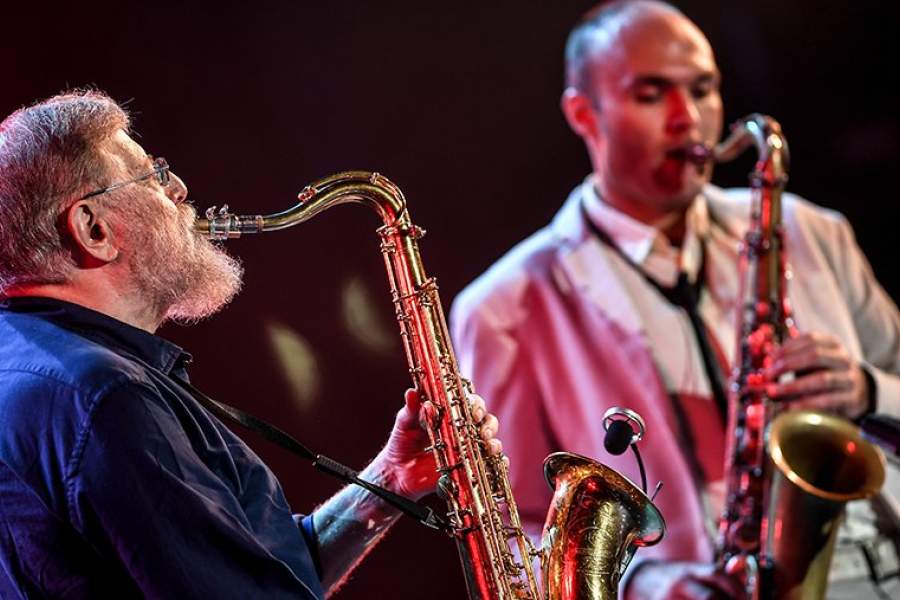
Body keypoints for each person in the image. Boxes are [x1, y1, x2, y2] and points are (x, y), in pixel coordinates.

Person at [450, 1, 900, 598]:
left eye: (704, 90)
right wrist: (651, 585)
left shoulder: (813, 231)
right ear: (584, 113)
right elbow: (510, 536)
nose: (690, 119)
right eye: (651, 94)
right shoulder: (502, 308)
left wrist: (868, 390)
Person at [0, 90, 502, 599]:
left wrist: (389, 480)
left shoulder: (31, 362)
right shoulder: (108, 397)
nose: (179, 188)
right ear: (93, 229)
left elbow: (260, 575)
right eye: (151, 176)